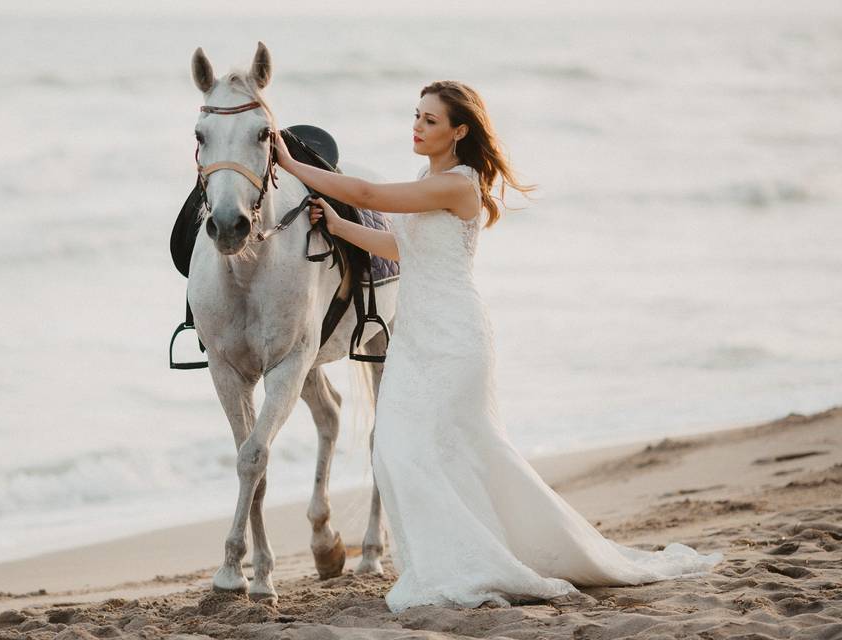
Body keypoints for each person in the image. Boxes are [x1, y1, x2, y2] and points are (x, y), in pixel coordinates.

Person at [273, 80, 723, 613]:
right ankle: (456, 558)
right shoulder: (428, 178)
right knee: (412, 452)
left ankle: (466, 563)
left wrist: (289, 161)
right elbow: (400, 247)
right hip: (419, 335)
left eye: (430, 120)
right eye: (416, 115)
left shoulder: (459, 186)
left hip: (454, 337)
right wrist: (343, 227)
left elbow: (369, 194)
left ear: (460, 131)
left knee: (418, 451)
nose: (417, 126)